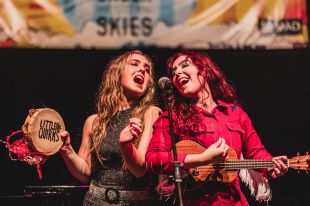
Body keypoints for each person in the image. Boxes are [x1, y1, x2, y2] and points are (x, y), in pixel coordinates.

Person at [145, 51, 288, 206]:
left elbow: (255, 152)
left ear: (204, 70)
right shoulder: (171, 117)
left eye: (184, 65)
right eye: (173, 72)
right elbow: (153, 159)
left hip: (234, 201)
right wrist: (202, 158)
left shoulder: (235, 113)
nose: (177, 72)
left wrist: (270, 165)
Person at [59, 50, 162, 206]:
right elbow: (85, 174)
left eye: (147, 70)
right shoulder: (94, 121)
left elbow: (139, 169)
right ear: (116, 73)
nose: (142, 70)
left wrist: (126, 145)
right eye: (134, 64)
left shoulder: (151, 113)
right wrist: (67, 150)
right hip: (94, 201)